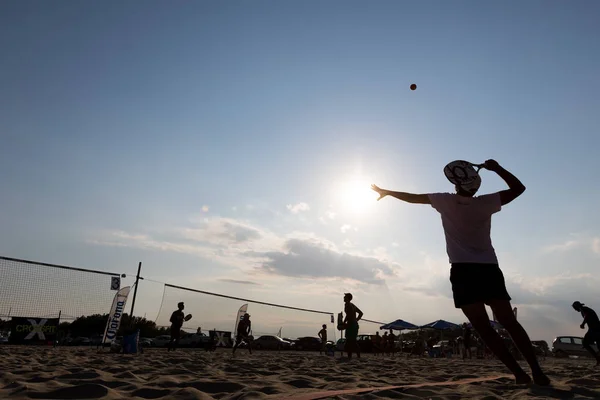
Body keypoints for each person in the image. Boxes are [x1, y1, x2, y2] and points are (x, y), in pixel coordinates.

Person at [372, 159, 549, 385]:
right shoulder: (487, 202)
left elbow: (412, 197)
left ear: (456, 184)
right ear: (476, 186)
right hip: (489, 269)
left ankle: (519, 374)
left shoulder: (444, 201)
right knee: (509, 323)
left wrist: (387, 192)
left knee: (484, 329)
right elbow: (519, 189)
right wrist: (498, 168)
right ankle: (537, 372)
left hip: (463, 271)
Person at [343, 293, 363, 359]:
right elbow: (361, 313)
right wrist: (356, 320)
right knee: (353, 341)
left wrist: (344, 322)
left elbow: (349, 315)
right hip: (354, 324)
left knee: (349, 341)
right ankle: (358, 356)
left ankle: (350, 356)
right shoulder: (352, 305)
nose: (344, 297)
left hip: (351, 324)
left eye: (345, 297)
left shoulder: (348, 305)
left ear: (348, 298)